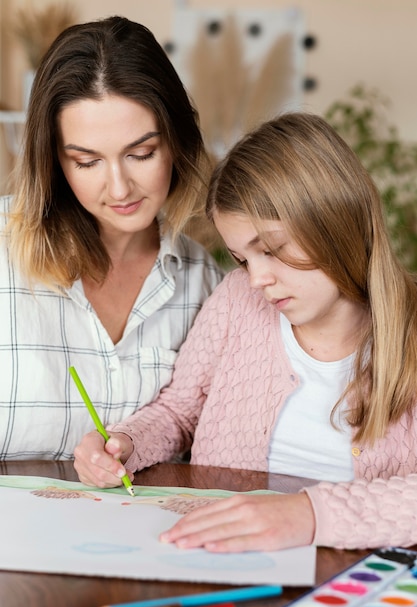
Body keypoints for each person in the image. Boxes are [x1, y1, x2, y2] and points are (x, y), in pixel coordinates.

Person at [73, 112, 417, 552]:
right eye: (242, 259)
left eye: (271, 250)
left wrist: (309, 514)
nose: (257, 279)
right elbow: (179, 411)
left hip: (351, 584)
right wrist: (126, 443)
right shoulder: (239, 300)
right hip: (220, 561)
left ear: (336, 222)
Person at [0, 16, 224, 460]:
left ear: (176, 142)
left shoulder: (207, 286)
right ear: (53, 162)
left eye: (141, 154)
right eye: (87, 162)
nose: (119, 188)